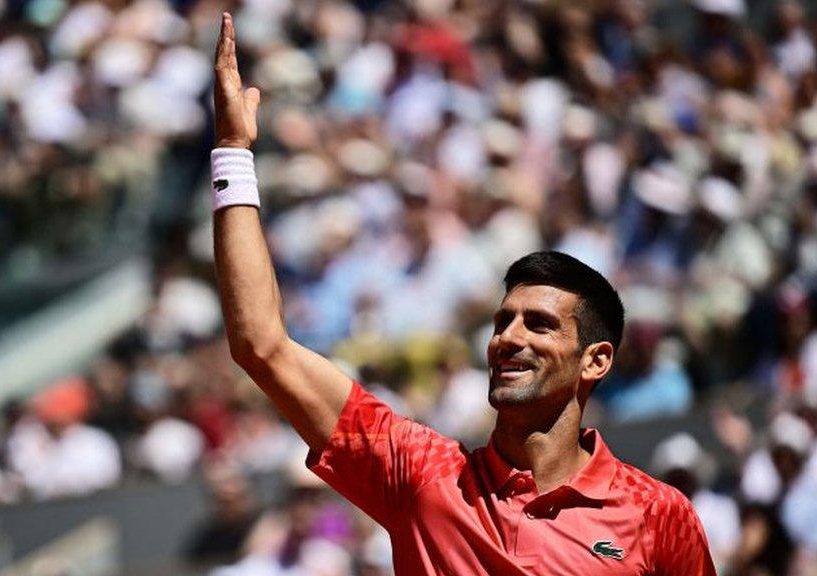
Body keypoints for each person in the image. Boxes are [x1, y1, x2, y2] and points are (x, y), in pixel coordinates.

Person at [211, 12, 716, 575]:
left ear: (595, 360)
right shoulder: (422, 475)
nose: (508, 338)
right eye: (504, 321)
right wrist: (233, 150)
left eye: (540, 324)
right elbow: (261, 343)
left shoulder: (660, 516)